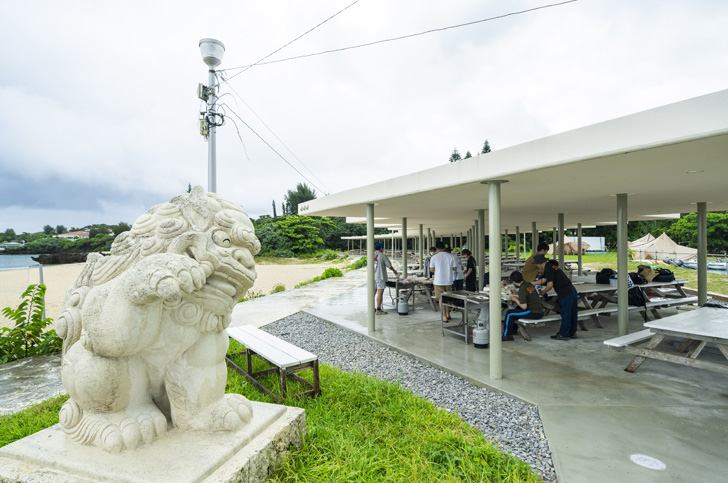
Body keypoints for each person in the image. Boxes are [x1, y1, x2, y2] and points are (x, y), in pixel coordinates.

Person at [533, 254, 578, 340]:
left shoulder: (548, 269)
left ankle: (563, 334)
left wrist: (543, 292)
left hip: (565, 293)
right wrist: (532, 283)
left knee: (566, 314)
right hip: (571, 290)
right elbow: (545, 279)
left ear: (539, 263)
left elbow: (549, 285)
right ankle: (572, 332)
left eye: (536, 264)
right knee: (572, 313)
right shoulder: (550, 266)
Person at [502, 271, 544, 341]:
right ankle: (513, 329)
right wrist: (517, 293)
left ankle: (507, 335)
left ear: (514, 282)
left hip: (533, 312)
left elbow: (524, 307)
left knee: (510, 313)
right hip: (539, 310)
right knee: (516, 309)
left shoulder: (522, 289)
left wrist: (515, 299)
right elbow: (527, 295)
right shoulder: (528, 284)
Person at [429, 241, 457, 323]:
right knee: (447, 298)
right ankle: (448, 314)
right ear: (444, 248)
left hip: (438, 280)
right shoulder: (451, 257)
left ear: (437, 248)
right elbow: (455, 268)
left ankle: (444, 316)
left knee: (441, 299)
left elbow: (431, 269)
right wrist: (448, 269)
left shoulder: (434, 257)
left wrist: (439, 270)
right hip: (448, 280)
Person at [373, 242, 398, 315]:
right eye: (382, 248)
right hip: (380, 277)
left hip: (372, 277)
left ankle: (372, 308)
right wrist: (394, 271)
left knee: (373, 293)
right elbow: (389, 265)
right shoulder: (382, 256)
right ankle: (378, 309)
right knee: (380, 293)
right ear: (381, 248)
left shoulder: (371, 255)